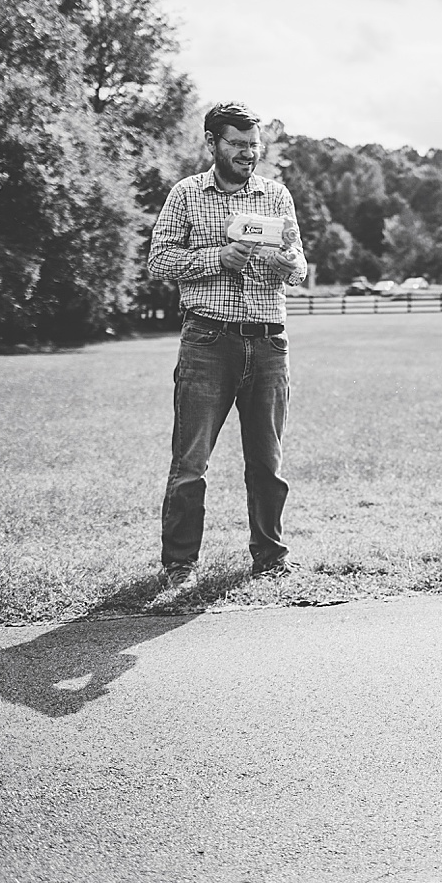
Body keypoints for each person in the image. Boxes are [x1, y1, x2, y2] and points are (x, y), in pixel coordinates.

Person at [148, 101, 308, 591]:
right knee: (191, 460)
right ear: (213, 143)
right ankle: (179, 563)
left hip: (268, 344)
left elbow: (300, 268)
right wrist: (219, 257)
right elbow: (159, 260)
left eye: (252, 145)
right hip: (207, 341)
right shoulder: (186, 194)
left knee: (267, 460)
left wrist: (280, 261)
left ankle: (270, 556)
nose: (247, 153)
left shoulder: (276, 195)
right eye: (236, 144)